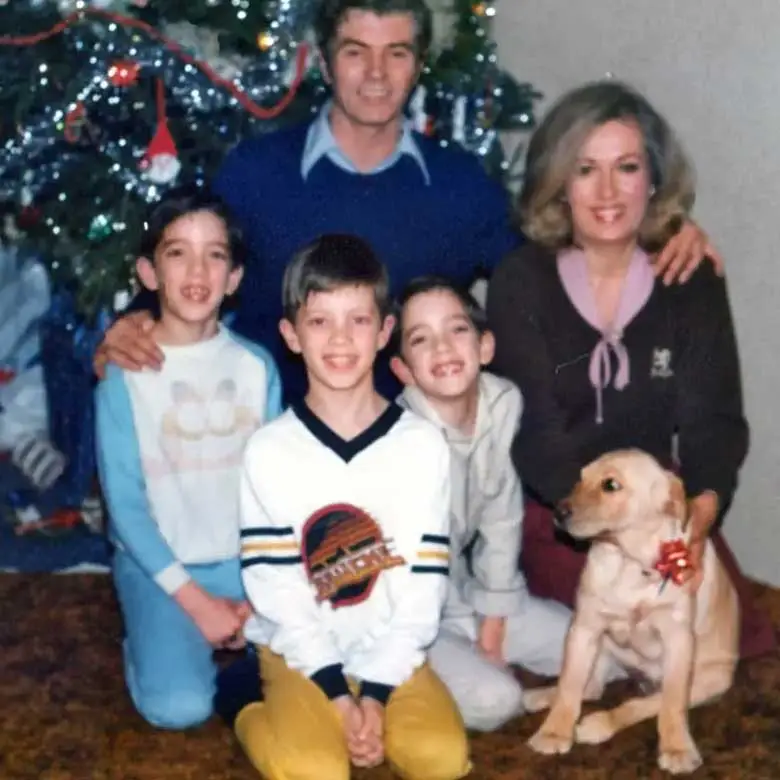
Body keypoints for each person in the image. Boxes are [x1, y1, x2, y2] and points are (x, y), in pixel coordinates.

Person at [92, 0, 717, 403]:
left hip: (414, 454)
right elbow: (189, 275)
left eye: (396, 53)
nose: (375, 75)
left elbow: (557, 270)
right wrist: (138, 321)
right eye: (355, 52)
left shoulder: (461, 187)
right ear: (325, 62)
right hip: (269, 444)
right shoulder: (256, 173)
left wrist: (661, 231)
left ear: (419, 65)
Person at [486, 79, 776, 660]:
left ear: (654, 180)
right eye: (585, 169)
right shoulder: (521, 282)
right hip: (562, 512)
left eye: (627, 166)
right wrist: (610, 529)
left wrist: (700, 511)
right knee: (625, 639)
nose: (608, 191)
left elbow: (714, 421)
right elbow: (535, 437)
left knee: (735, 646)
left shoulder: (689, 278)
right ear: (558, 185)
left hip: (656, 509)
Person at [233, 234, 470, 779]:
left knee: (444, 760)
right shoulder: (269, 450)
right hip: (300, 651)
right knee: (319, 772)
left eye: (358, 320)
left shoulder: (421, 445)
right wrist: (340, 698)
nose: (340, 339)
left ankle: (366, 706)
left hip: (388, 650)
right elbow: (279, 591)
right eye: (319, 322)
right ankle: (244, 704)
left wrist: (378, 695)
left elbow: (421, 588)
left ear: (385, 332)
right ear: (291, 335)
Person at [95, 186, 283, 730]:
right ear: (149, 273)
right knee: (179, 708)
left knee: (322, 664)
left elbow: (271, 490)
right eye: (177, 252)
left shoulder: (256, 367)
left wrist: (262, 586)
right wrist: (197, 604)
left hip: (244, 564)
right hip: (160, 567)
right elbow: (126, 509)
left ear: (235, 277)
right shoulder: (123, 378)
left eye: (215, 254)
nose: (197, 270)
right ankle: (149, 638)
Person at [389, 275, 573, 732]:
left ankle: (468, 657)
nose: (443, 347)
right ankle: (394, 689)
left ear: (485, 347)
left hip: (466, 592)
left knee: (591, 645)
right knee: (498, 700)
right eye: (420, 339)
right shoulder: (400, 439)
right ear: (404, 370)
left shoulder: (503, 402)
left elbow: (502, 517)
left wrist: (492, 629)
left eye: (457, 329)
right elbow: (409, 572)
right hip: (407, 614)